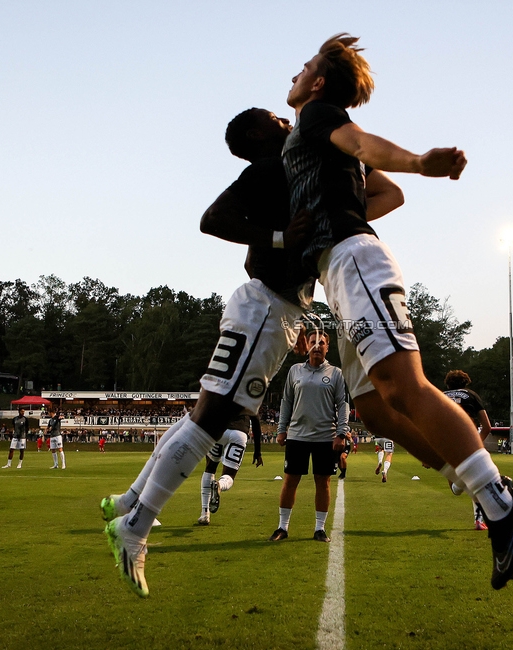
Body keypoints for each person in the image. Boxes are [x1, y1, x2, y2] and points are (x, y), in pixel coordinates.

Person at [99, 106, 406, 597]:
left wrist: (336, 215)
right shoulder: (267, 169)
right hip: (265, 304)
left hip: (275, 309)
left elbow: (390, 193)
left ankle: (130, 502)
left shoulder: (298, 171)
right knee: (211, 418)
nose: (285, 122)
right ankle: (135, 525)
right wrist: (282, 237)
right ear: (257, 136)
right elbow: (212, 219)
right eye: (273, 120)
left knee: (210, 411)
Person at [283, 33, 513, 589]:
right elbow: (386, 194)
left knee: (405, 387)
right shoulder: (314, 133)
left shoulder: (320, 115)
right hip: (339, 273)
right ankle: (479, 484)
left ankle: (500, 505)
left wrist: (421, 161)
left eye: (304, 66)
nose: (295, 73)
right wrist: (335, 206)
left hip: (354, 261)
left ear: (320, 83)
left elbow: (368, 149)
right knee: (375, 409)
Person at [271, 330, 348, 543]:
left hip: (326, 436)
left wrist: (341, 433)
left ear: (327, 347)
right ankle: (282, 527)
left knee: (323, 482)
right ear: (308, 345)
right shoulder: (295, 371)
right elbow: (286, 401)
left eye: (321, 343)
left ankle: (319, 529)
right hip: (297, 435)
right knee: (290, 481)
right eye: (312, 342)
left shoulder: (336, 373)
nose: (316, 346)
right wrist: (281, 429)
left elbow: (343, 404)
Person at [443, 370, 493, 530]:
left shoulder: (439, 395)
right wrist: (476, 444)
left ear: (448, 383)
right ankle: (479, 520)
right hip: (467, 438)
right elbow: (487, 426)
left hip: (446, 442)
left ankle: (464, 484)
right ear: (466, 382)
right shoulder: (472, 395)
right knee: (475, 479)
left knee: (456, 489)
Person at [197, 415, 262, 525]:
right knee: (229, 475)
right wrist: (257, 451)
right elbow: (256, 423)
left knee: (210, 469)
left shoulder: (221, 396)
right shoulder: (249, 397)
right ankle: (220, 485)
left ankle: (205, 513)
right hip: (239, 433)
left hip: (219, 430)